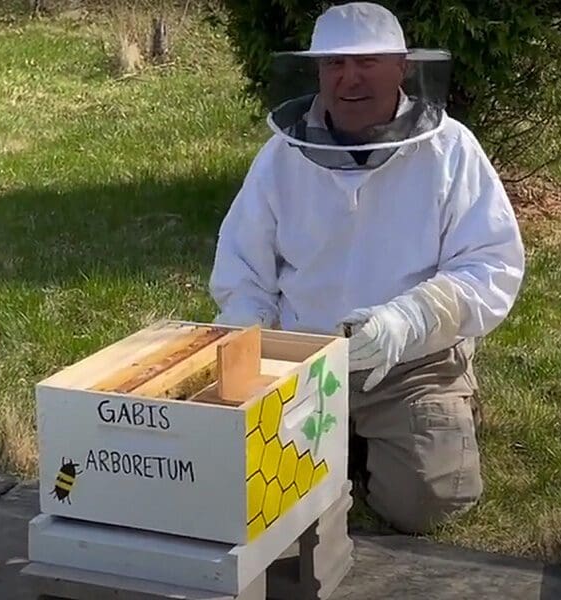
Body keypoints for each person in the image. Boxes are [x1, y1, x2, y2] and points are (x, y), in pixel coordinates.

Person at [209, 2, 525, 534]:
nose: (349, 78)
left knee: (426, 503)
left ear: (402, 67)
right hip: (301, 362)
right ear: (317, 72)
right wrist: (250, 338)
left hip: (413, 365)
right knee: (249, 490)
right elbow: (242, 265)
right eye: (334, 64)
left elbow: (491, 264)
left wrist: (411, 319)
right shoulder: (281, 155)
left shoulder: (450, 150)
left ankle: (442, 410)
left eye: (368, 62)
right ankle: (351, 439)